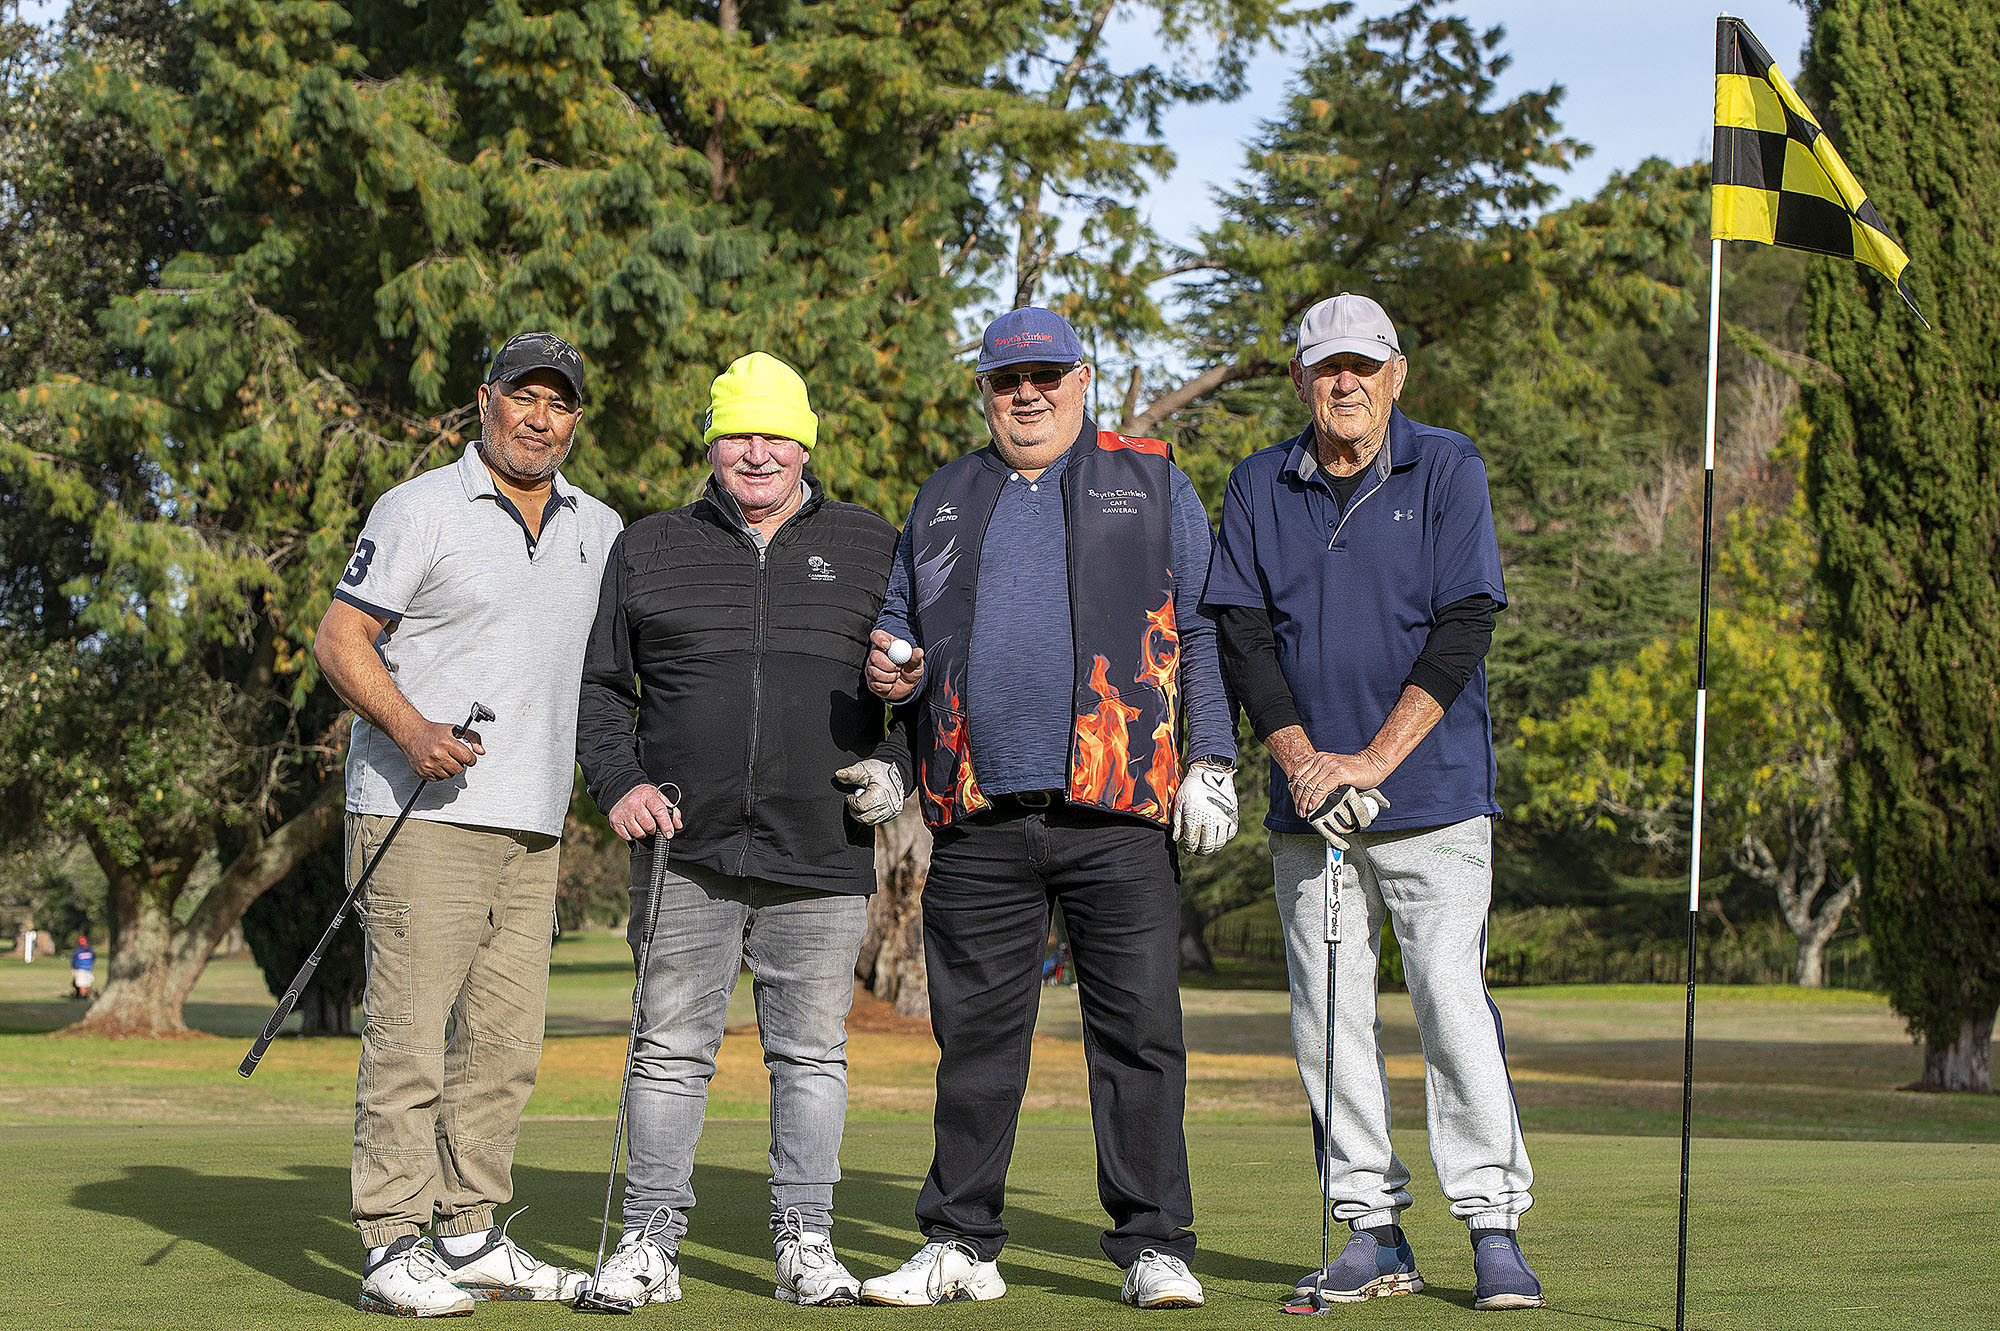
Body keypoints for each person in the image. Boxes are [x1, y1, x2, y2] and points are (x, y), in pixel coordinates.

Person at [858, 308, 1239, 1311]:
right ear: (984, 390)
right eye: (1005, 379)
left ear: (1082, 380)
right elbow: (898, 632)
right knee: (974, 1044)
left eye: (1044, 376)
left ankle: (1153, 1243)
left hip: (1119, 806)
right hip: (975, 813)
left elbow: (1202, 627)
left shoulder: (1151, 479)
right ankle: (960, 1241)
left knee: (1139, 1036)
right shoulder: (942, 495)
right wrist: (891, 680)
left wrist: (1211, 756)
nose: (1025, 394)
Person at [1200, 292, 1542, 1310]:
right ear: (1300, 380)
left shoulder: (1447, 466)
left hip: (1436, 800)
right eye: (1324, 366)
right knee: (1329, 1019)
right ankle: (1370, 1228)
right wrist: (1306, 761)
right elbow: (1241, 635)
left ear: (1396, 374)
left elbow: (1464, 621)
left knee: (1450, 1003)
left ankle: (1491, 1222)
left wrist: (1372, 760)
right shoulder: (1257, 482)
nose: (1343, 381)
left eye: (1361, 363)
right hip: (1309, 808)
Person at [574, 352, 908, 1308]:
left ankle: (807, 1241)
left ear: (806, 445)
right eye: (738, 434)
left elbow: (920, 686)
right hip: (685, 845)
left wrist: (896, 763)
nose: (757, 452)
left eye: (777, 435)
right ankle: (650, 1242)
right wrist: (620, 783)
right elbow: (601, 691)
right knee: (669, 1051)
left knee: (810, 1055)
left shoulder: (872, 545)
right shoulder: (650, 546)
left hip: (822, 845)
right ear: (712, 445)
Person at [313, 331, 624, 1317]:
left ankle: (469, 1231)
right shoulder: (418, 508)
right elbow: (341, 637)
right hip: (421, 819)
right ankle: (390, 1243)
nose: (540, 417)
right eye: (524, 396)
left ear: (576, 420)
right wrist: (411, 728)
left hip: (533, 823)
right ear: (484, 400)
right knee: (408, 1040)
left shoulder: (601, 526)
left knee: (502, 1046)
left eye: (559, 403)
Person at [69, 934, 94, 1000]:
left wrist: (73, 967)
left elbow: (73, 960)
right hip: (83, 969)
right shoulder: (89, 950)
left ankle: (84, 997)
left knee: (84, 984)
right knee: (84, 984)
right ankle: (84, 996)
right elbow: (73, 960)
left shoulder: (81, 951)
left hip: (85, 969)